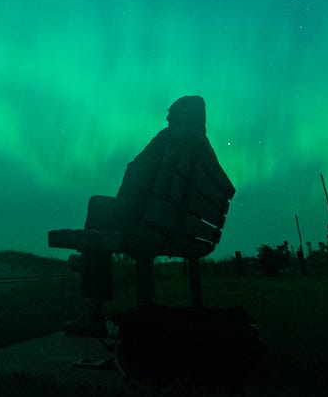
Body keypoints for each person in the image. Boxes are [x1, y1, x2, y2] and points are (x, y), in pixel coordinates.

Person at [62, 95, 224, 336]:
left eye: (171, 114)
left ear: (182, 116)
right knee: (103, 217)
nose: (167, 118)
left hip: (150, 224)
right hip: (185, 232)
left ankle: (92, 313)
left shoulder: (169, 139)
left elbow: (135, 170)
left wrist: (125, 204)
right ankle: (88, 263)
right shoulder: (205, 152)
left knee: (97, 206)